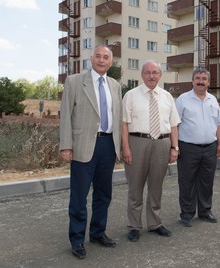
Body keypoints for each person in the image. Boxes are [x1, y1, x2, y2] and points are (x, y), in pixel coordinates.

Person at [59, 45, 122, 259]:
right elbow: (66, 115)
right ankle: (77, 239)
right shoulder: (75, 81)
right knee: (79, 196)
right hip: (83, 146)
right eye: (98, 56)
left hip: (108, 146)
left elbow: (118, 116)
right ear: (91, 58)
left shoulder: (115, 85)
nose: (102, 60)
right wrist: (66, 145)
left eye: (106, 57)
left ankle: (97, 233)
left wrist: (120, 147)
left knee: (104, 194)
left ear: (111, 62)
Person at [121, 60, 181, 242]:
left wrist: (174, 147)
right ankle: (134, 226)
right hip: (137, 142)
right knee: (135, 187)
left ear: (160, 75)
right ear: (142, 75)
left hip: (162, 143)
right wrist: (126, 148)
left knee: (156, 187)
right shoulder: (130, 95)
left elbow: (173, 125)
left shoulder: (167, 97)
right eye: (148, 72)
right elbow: (124, 124)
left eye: (155, 72)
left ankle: (155, 223)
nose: (152, 76)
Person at [175, 68, 220, 227]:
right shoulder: (183, 99)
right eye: (197, 78)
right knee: (186, 182)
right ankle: (187, 214)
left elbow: (219, 123)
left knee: (206, 181)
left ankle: (205, 211)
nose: (201, 81)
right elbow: (174, 124)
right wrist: (175, 146)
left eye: (204, 78)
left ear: (208, 82)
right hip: (188, 148)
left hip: (210, 148)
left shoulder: (212, 100)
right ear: (192, 81)